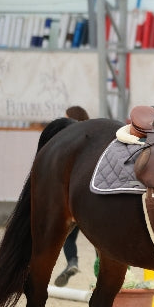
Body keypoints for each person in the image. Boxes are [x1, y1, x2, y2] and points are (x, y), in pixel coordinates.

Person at [54, 105, 90, 287]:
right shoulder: (93, 138)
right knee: (102, 240)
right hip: (92, 199)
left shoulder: (68, 141)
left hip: (74, 199)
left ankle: (72, 261)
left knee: (67, 237)